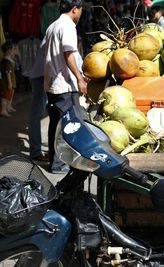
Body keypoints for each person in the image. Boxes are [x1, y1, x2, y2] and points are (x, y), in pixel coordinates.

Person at [43, 0, 87, 174]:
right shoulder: (68, 26)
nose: (81, 14)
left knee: (55, 125)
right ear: (75, 9)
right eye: (81, 10)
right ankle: (60, 165)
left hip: (54, 83)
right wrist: (79, 79)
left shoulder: (52, 26)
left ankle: (55, 162)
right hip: (64, 84)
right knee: (66, 126)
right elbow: (68, 53)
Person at [28, 41, 49, 162]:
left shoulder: (51, 33)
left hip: (41, 75)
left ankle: (36, 150)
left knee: (37, 113)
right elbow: (49, 57)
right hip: (42, 76)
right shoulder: (55, 32)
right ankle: (35, 152)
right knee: (36, 114)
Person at [0, 41, 17, 117]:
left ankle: (8, 107)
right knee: (5, 97)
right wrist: (10, 83)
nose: (15, 51)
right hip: (6, 83)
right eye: (14, 49)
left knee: (9, 95)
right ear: (9, 51)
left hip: (10, 82)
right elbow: (7, 73)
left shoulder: (9, 60)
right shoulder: (6, 61)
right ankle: (3, 110)